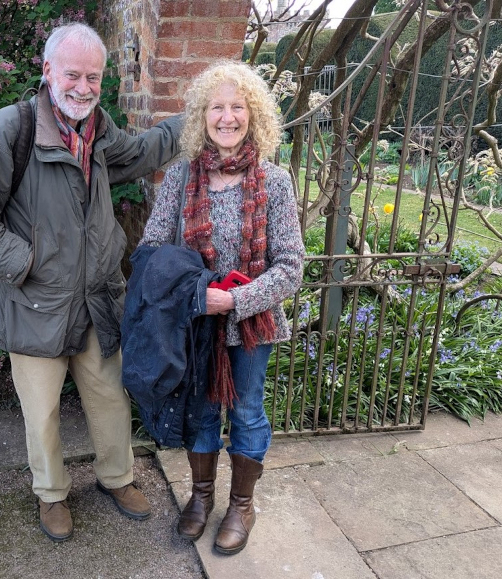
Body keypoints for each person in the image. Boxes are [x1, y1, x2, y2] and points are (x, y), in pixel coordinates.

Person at [0, 22, 182, 543]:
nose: (83, 86)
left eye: (93, 77)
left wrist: (199, 119)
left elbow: (138, 153)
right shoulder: (12, 129)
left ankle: (116, 478)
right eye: (73, 74)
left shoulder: (97, 128)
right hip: (35, 303)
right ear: (48, 70)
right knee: (43, 412)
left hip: (96, 300)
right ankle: (51, 494)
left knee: (111, 398)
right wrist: (28, 265)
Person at [138, 61, 305, 555]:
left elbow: (291, 266)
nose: (227, 117)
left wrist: (234, 300)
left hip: (252, 327)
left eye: (237, 107)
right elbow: (151, 251)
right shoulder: (180, 180)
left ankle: (241, 505)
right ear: (202, 117)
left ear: (253, 115)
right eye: (217, 107)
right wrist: (195, 297)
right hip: (196, 328)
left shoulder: (274, 182)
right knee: (202, 411)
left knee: (248, 412)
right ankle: (201, 497)